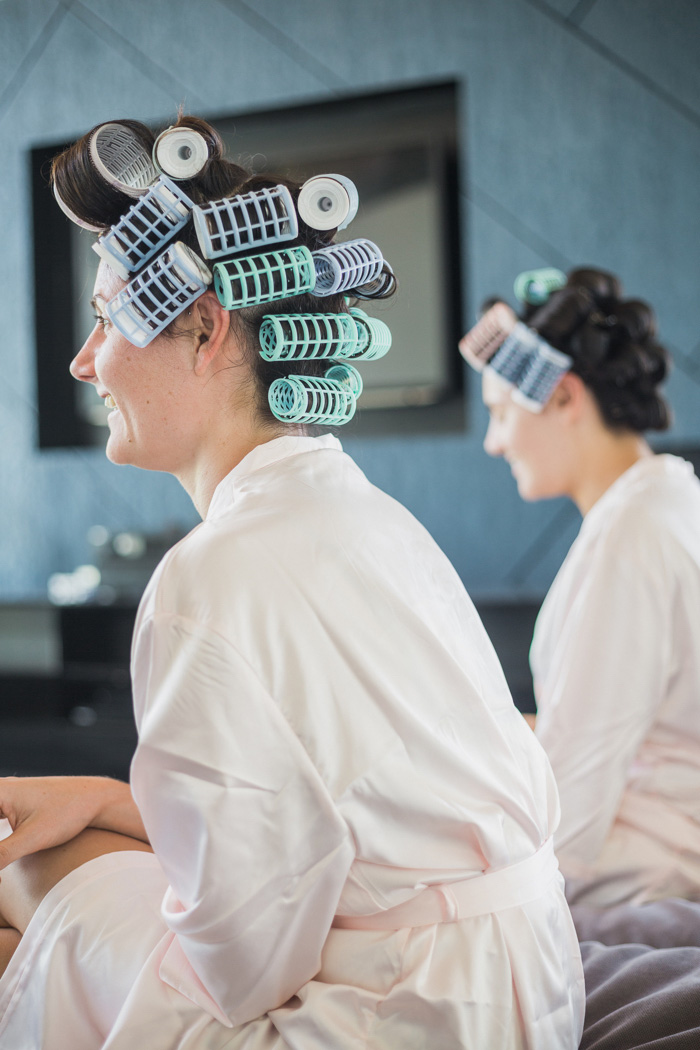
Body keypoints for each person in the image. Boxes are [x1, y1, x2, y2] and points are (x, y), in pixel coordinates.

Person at [0, 117, 584, 1049]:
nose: (83, 360)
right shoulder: (371, 517)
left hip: (402, 1016)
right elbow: (344, 808)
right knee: (75, 860)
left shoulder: (206, 578)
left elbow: (243, 967)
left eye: (106, 317)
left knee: (24, 882)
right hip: (530, 988)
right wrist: (114, 802)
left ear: (202, 326)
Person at [460, 266, 700, 909]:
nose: (493, 442)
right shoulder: (671, 497)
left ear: (564, 398)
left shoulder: (631, 539)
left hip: (652, 871)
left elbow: (576, 798)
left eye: (502, 414)